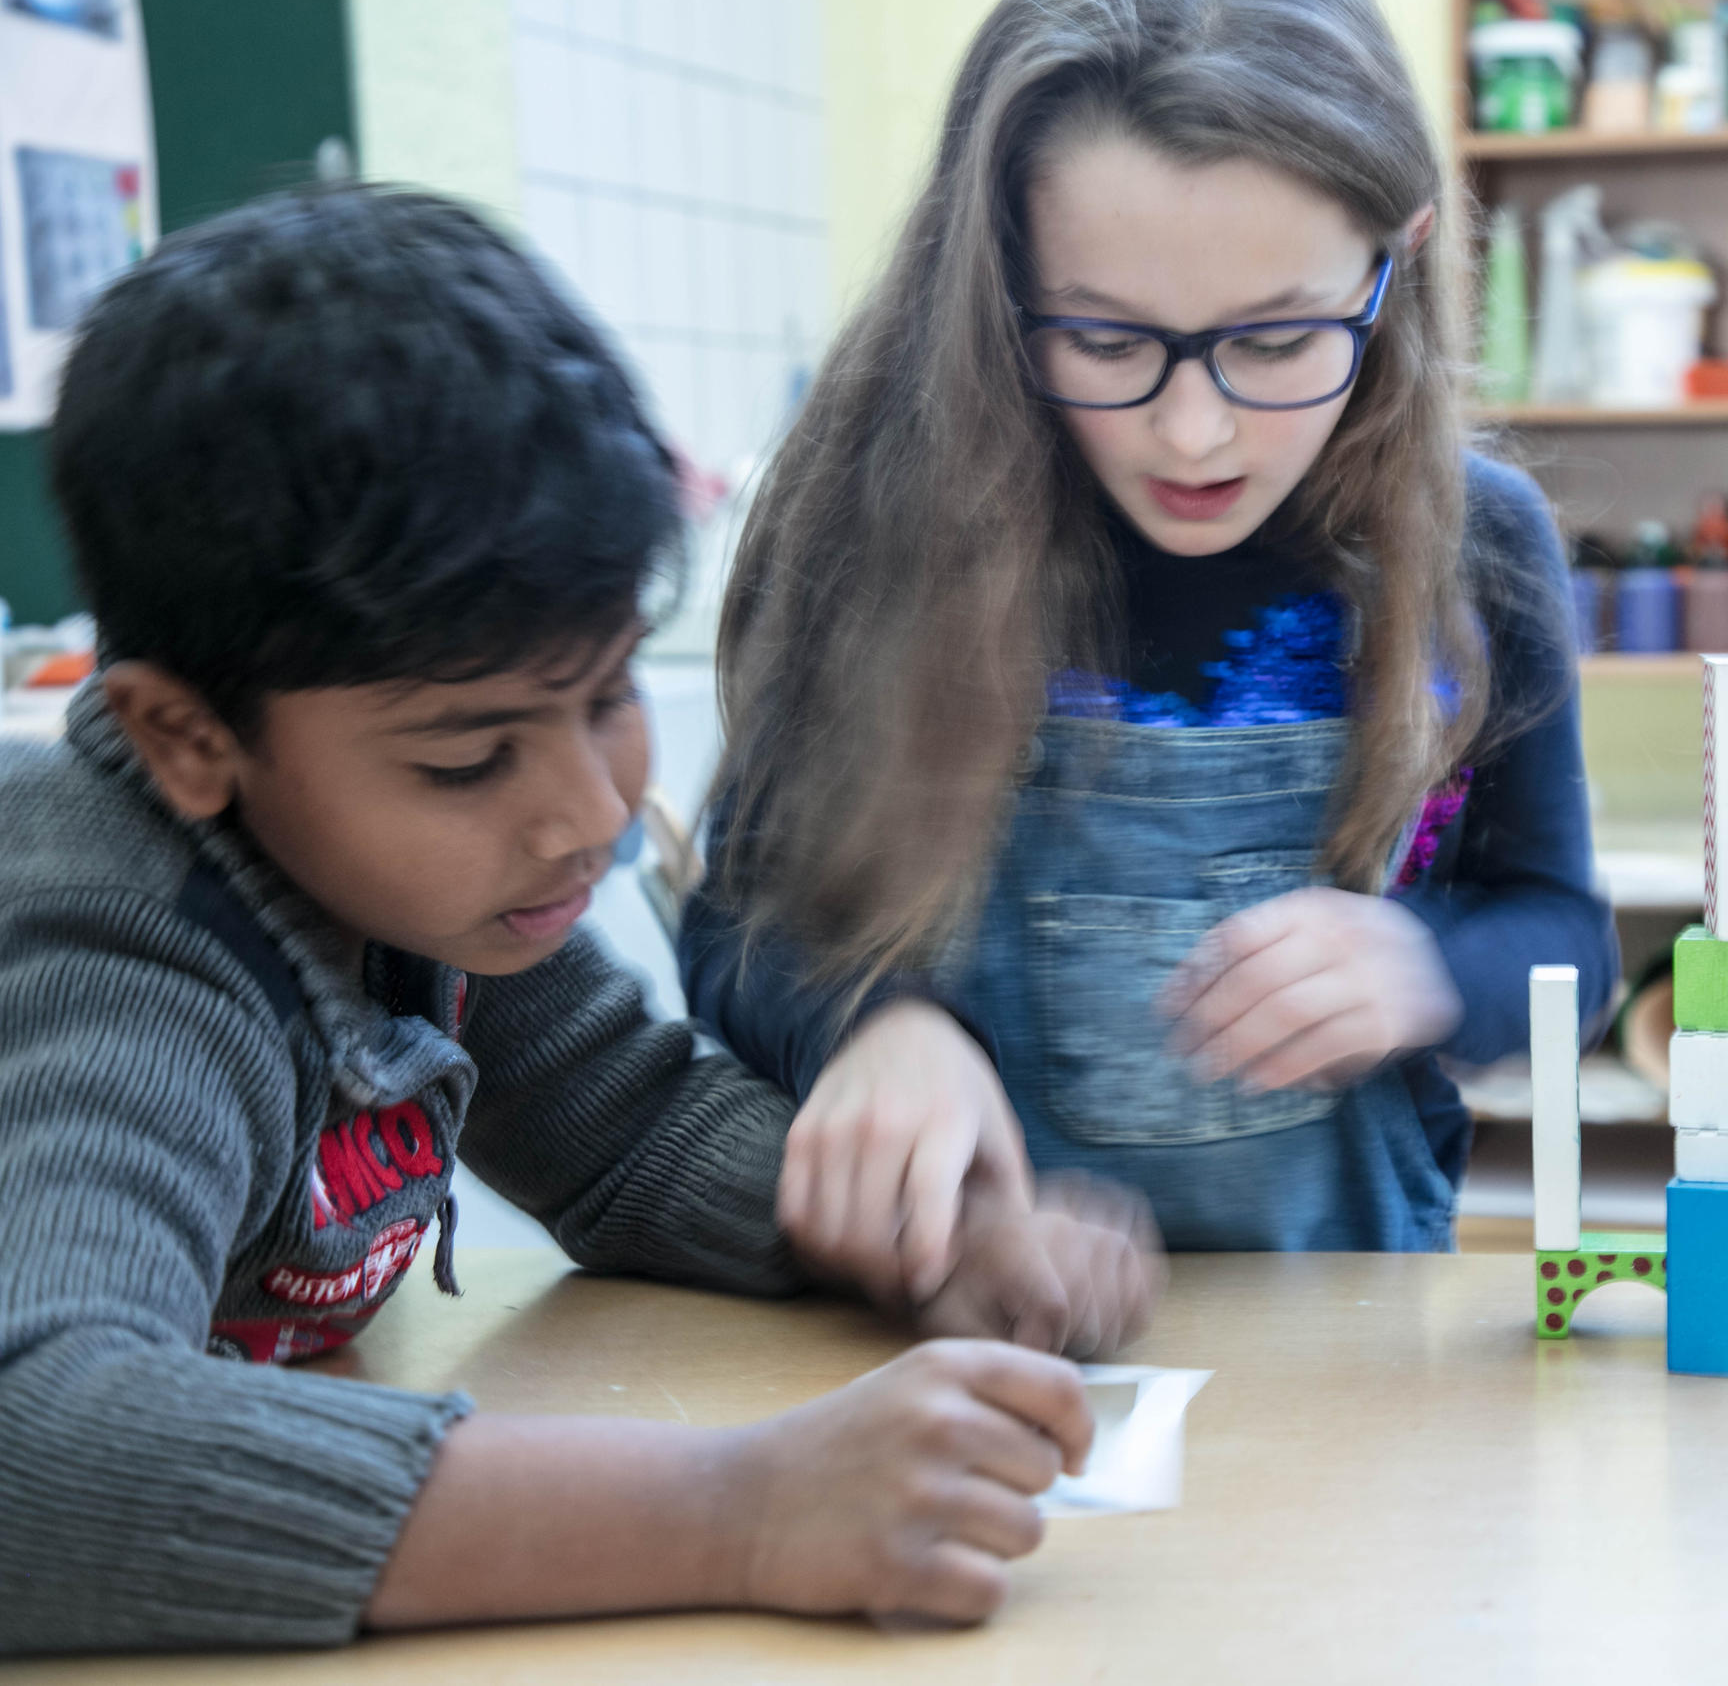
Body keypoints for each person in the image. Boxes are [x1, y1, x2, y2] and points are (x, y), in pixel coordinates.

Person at [0, 185, 1159, 1656]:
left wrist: (931, 1238)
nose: (588, 815)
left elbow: (628, 1127)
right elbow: (33, 1449)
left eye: (607, 693)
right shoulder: (120, 962)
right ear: (184, 736)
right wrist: (742, 1501)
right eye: (467, 756)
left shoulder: (406, 883)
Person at [684, 0, 1617, 1262]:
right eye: (1107, 341)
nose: (1195, 432)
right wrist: (870, 1028)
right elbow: (737, 916)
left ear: (1391, 261)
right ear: (999, 274)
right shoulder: (875, 523)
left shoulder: (1476, 547)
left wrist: (1432, 969)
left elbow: (1565, 936)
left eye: (1281, 340)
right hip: (957, 1341)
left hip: (1344, 1346)